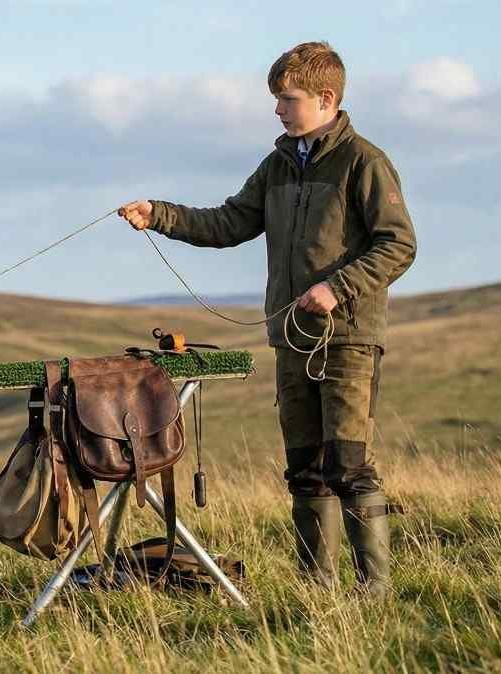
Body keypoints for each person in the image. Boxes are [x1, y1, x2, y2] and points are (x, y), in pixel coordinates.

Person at [118, 41, 416, 595]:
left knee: (348, 465)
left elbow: (398, 245)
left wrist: (337, 287)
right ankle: (318, 590)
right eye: (277, 98)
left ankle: (373, 592)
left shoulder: (365, 162)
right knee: (304, 468)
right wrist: (157, 215)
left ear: (327, 98)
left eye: (288, 98)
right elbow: (229, 222)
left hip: (348, 339)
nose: (278, 109)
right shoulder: (277, 165)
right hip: (290, 340)